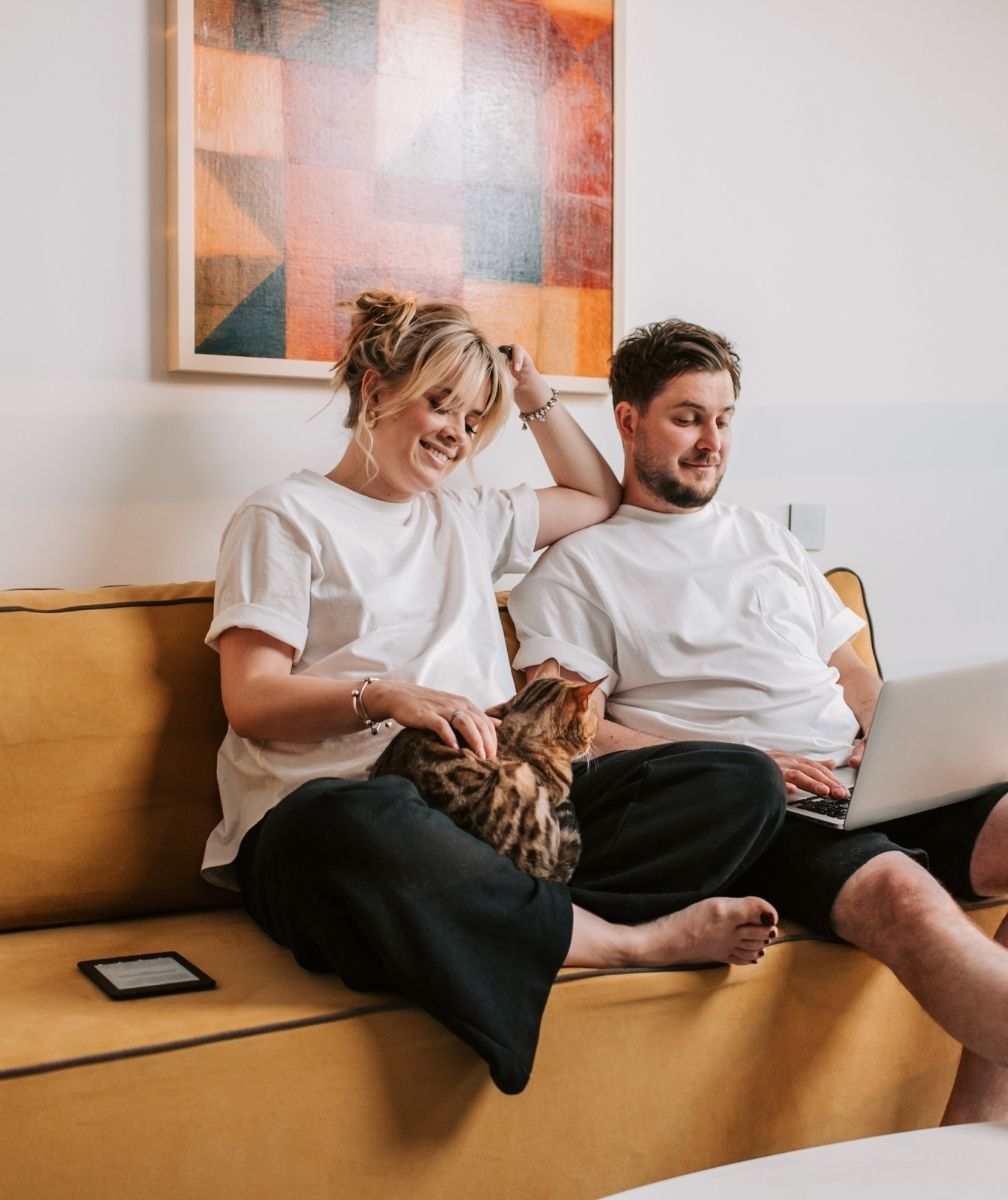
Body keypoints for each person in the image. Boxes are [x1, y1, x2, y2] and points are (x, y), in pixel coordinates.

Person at [508, 317, 1008, 1134]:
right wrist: (739, 758)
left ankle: (969, 1142)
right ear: (628, 421)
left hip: (865, 771)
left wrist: (897, 735)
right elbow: (562, 735)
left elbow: (851, 673)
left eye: (725, 420)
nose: (712, 443)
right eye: (688, 417)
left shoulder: (766, 538)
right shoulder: (578, 567)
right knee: (906, 897)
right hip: (763, 802)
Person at [202, 293, 784, 1096]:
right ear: (375, 390)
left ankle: (484, 916)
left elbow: (596, 495)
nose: (455, 433)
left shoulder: (464, 517)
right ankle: (622, 942)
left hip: (497, 815)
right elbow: (252, 698)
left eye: (474, 419)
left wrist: (532, 389)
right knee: (348, 821)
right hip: (341, 817)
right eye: (439, 403)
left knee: (738, 780)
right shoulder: (286, 514)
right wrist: (386, 697)